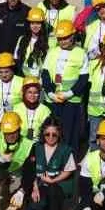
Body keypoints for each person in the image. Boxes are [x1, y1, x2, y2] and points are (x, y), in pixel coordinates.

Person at [44, 21, 89, 153]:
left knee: (70, 133)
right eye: (60, 39)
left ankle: (69, 162)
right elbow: (45, 74)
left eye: (66, 38)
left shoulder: (81, 53)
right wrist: (51, 94)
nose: (63, 41)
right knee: (52, 132)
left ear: (73, 36)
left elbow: (83, 79)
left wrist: (68, 94)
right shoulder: (52, 52)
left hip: (71, 101)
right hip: (52, 100)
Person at [26, 120, 76, 210]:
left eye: (54, 135)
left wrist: (53, 180)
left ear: (59, 134)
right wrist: (34, 186)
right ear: (43, 134)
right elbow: (31, 169)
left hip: (59, 184)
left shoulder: (65, 149)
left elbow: (68, 171)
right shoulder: (37, 147)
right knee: (30, 208)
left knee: (52, 191)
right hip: (42, 183)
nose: (50, 137)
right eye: (47, 134)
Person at [16, 7, 51, 78]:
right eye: (32, 23)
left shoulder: (49, 41)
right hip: (24, 79)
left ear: (42, 24)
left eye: (38, 23)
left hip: (40, 80)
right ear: (28, 24)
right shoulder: (22, 39)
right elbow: (17, 59)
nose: (35, 26)